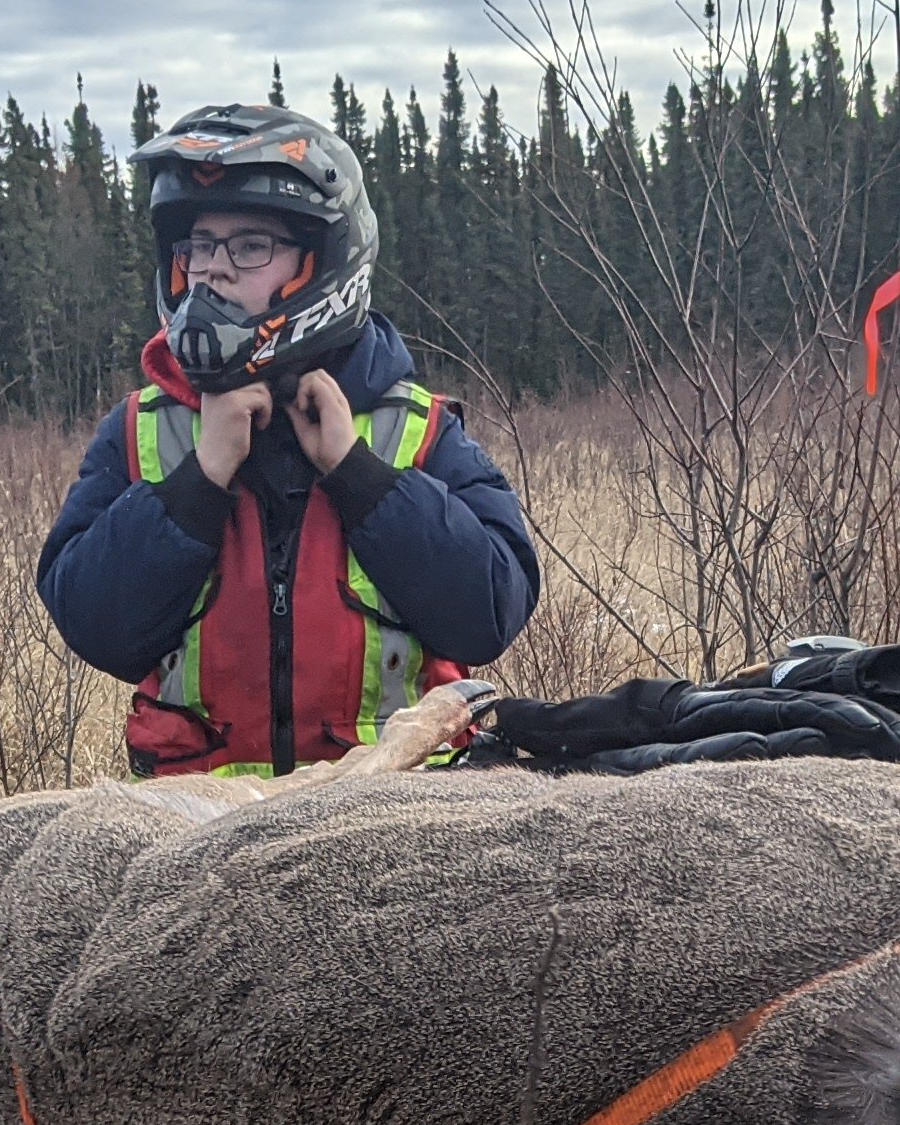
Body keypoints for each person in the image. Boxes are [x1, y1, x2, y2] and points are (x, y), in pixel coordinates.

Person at [37, 104, 537, 776]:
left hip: (393, 821)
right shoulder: (139, 432)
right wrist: (199, 479)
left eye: (248, 246)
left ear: (322, 260)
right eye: (199, 247)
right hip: (194, 833)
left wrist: (360, 476)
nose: (213, 270)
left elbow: (489, 614)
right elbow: (95, 628)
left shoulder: (416, 431)